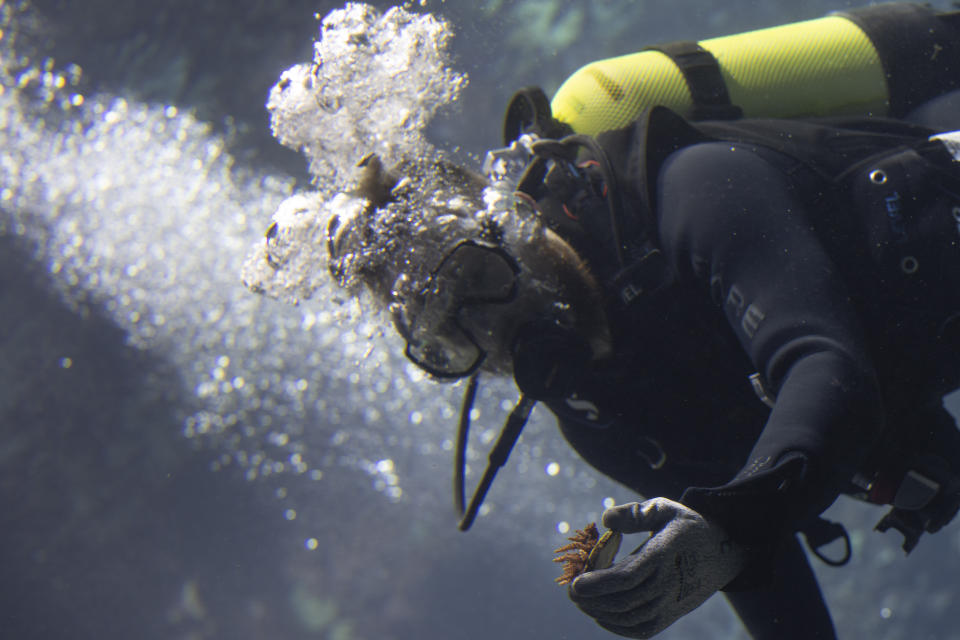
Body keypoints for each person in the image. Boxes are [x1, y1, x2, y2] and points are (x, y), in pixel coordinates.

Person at [318, 4, 960, 639]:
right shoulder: (600, 419)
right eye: (452, 339)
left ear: (511, 222)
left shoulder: (689, 189)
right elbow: (746, 554)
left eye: (482, 279)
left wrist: (726, 526)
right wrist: (709, 542)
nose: (495, 333)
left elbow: (827, 370)